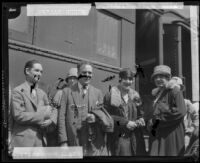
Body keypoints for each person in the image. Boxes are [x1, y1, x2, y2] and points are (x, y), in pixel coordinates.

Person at [58, 60, 111, 156]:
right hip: (74, 140)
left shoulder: (97, 92)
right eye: (84, 73)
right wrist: (63, 142)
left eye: (90, 73)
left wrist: (96, 118)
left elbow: (103, 117)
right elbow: (61, 117)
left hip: (93, 142)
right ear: (78, 73)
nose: (87, 75)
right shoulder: (67, 92)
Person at [10, 60, 56, 147]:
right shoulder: (18, 91)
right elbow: (19, 115)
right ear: (27, 71)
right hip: (23, 142)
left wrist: (51, 120)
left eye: (41, 72)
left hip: (40, 141)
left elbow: (51, 110)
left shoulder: (42, 93)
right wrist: (42, 116)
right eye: (37, 70)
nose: (39, 74)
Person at [103, 68, 146, 156]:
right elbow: (107, 116)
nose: (128, 81)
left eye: (130, 79)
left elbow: (140, 113)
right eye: (125, 79)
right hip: (119, 137)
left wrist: (140, 119)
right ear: (120, 79)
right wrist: (125, 123)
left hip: (135, 136)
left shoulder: (135, 95)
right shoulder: (110, 95)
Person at [147, 65, 186, 156]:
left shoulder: (174, 91)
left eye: (161, 76)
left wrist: (157, 121)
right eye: (156, 77)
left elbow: (180, 111)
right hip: (157, 133)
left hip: (171, 135)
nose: (158, 79)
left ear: (168, 78)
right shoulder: (157, 93)